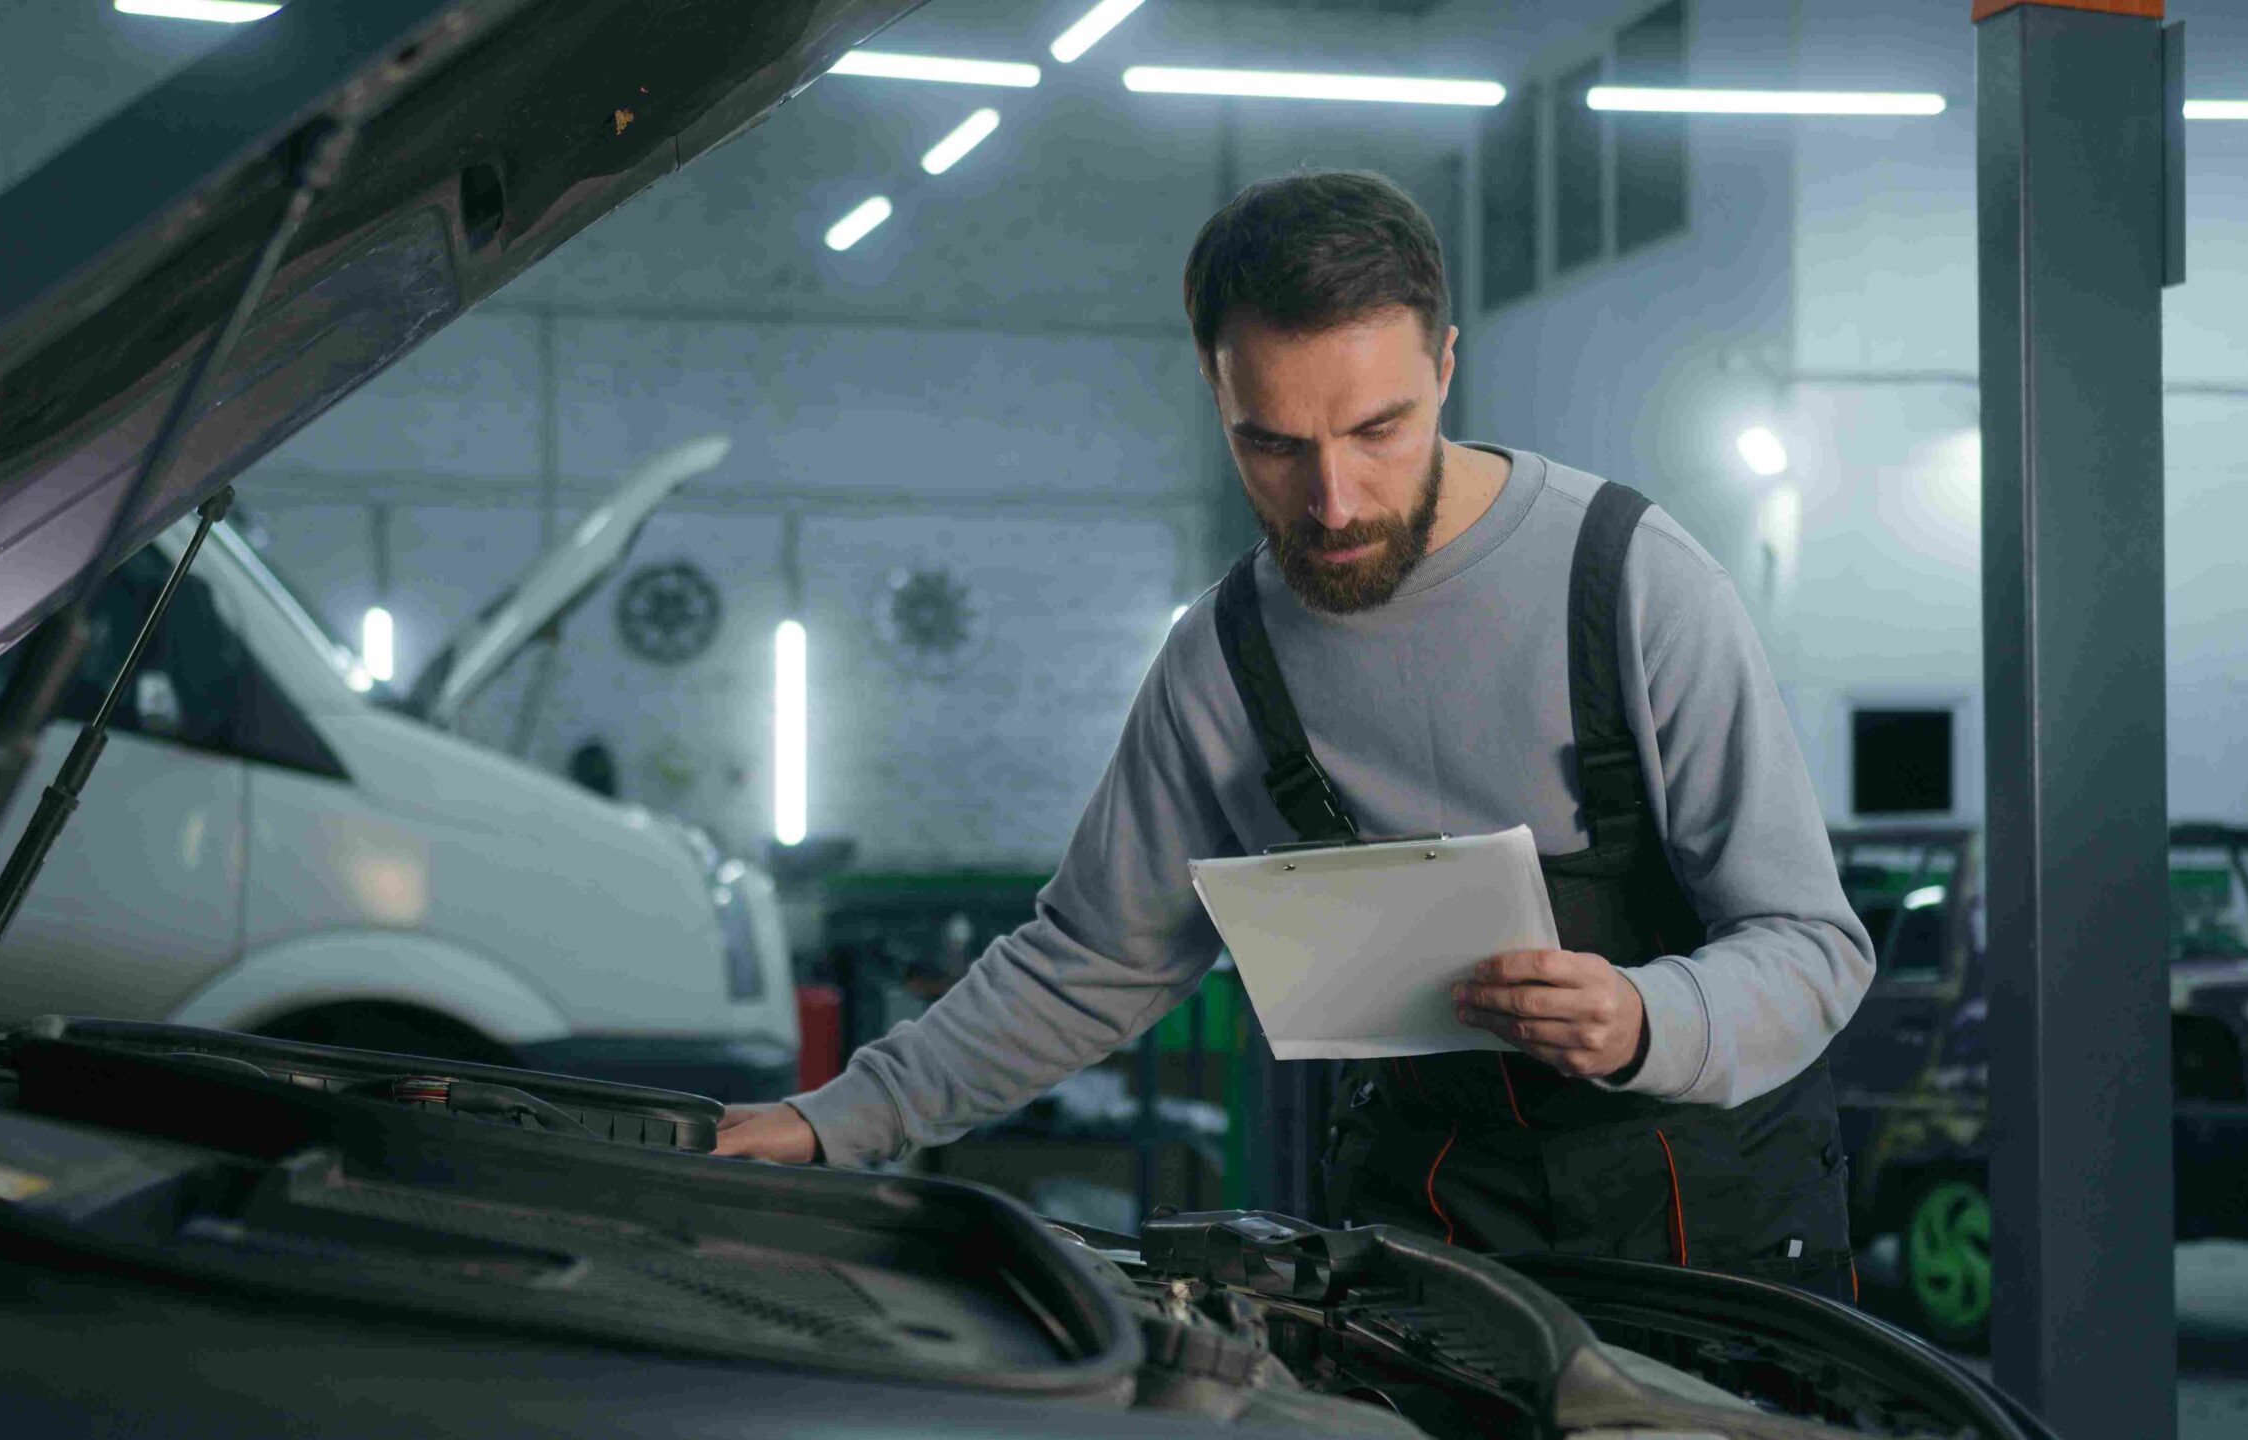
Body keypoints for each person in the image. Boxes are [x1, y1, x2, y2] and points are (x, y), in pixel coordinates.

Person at [717, 170, 1875, 1298]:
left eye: (1380, 429)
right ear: (1217, 401)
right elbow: (1086, 964)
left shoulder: (1631, 583)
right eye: (1272, 444)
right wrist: (831, 1125)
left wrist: (1642, 1016)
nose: (1333, 503)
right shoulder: (1223, 660)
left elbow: (1813, 946)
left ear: (1446, 366)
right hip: (1428, 1223)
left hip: (1704, 1226)